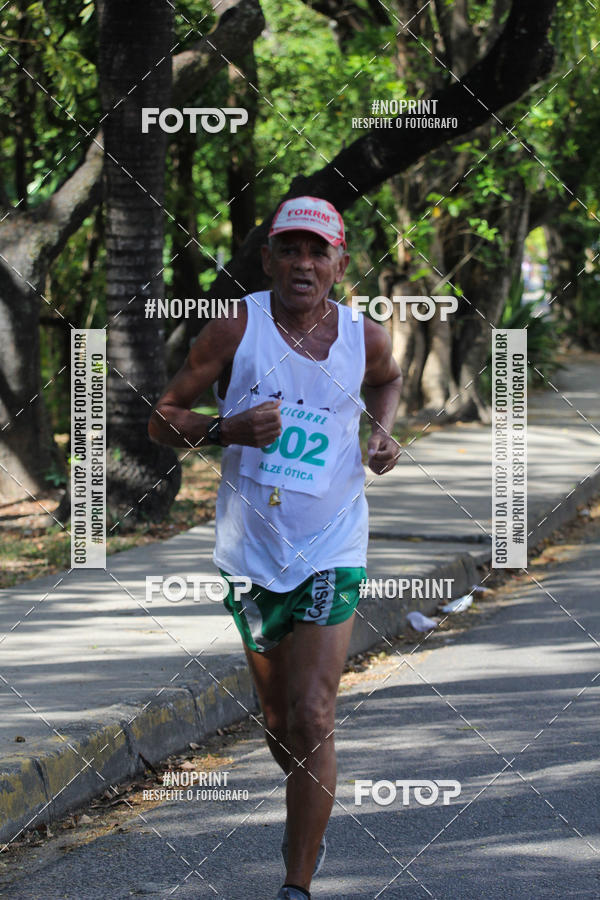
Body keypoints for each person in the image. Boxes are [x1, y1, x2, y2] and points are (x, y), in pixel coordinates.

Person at [148, 196, 403, 899]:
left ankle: (297, 883)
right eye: (289, 249)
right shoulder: (237, 328)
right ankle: (303, 805)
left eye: (318, 251)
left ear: (339, 263)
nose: (304, 263)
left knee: (316, 712)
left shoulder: (365, 337)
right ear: (267, 259)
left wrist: (381, 433)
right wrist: (225, 429)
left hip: (333, 541)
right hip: (253, 549)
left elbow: (387, 382)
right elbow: (161, 421)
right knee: (281, 721)